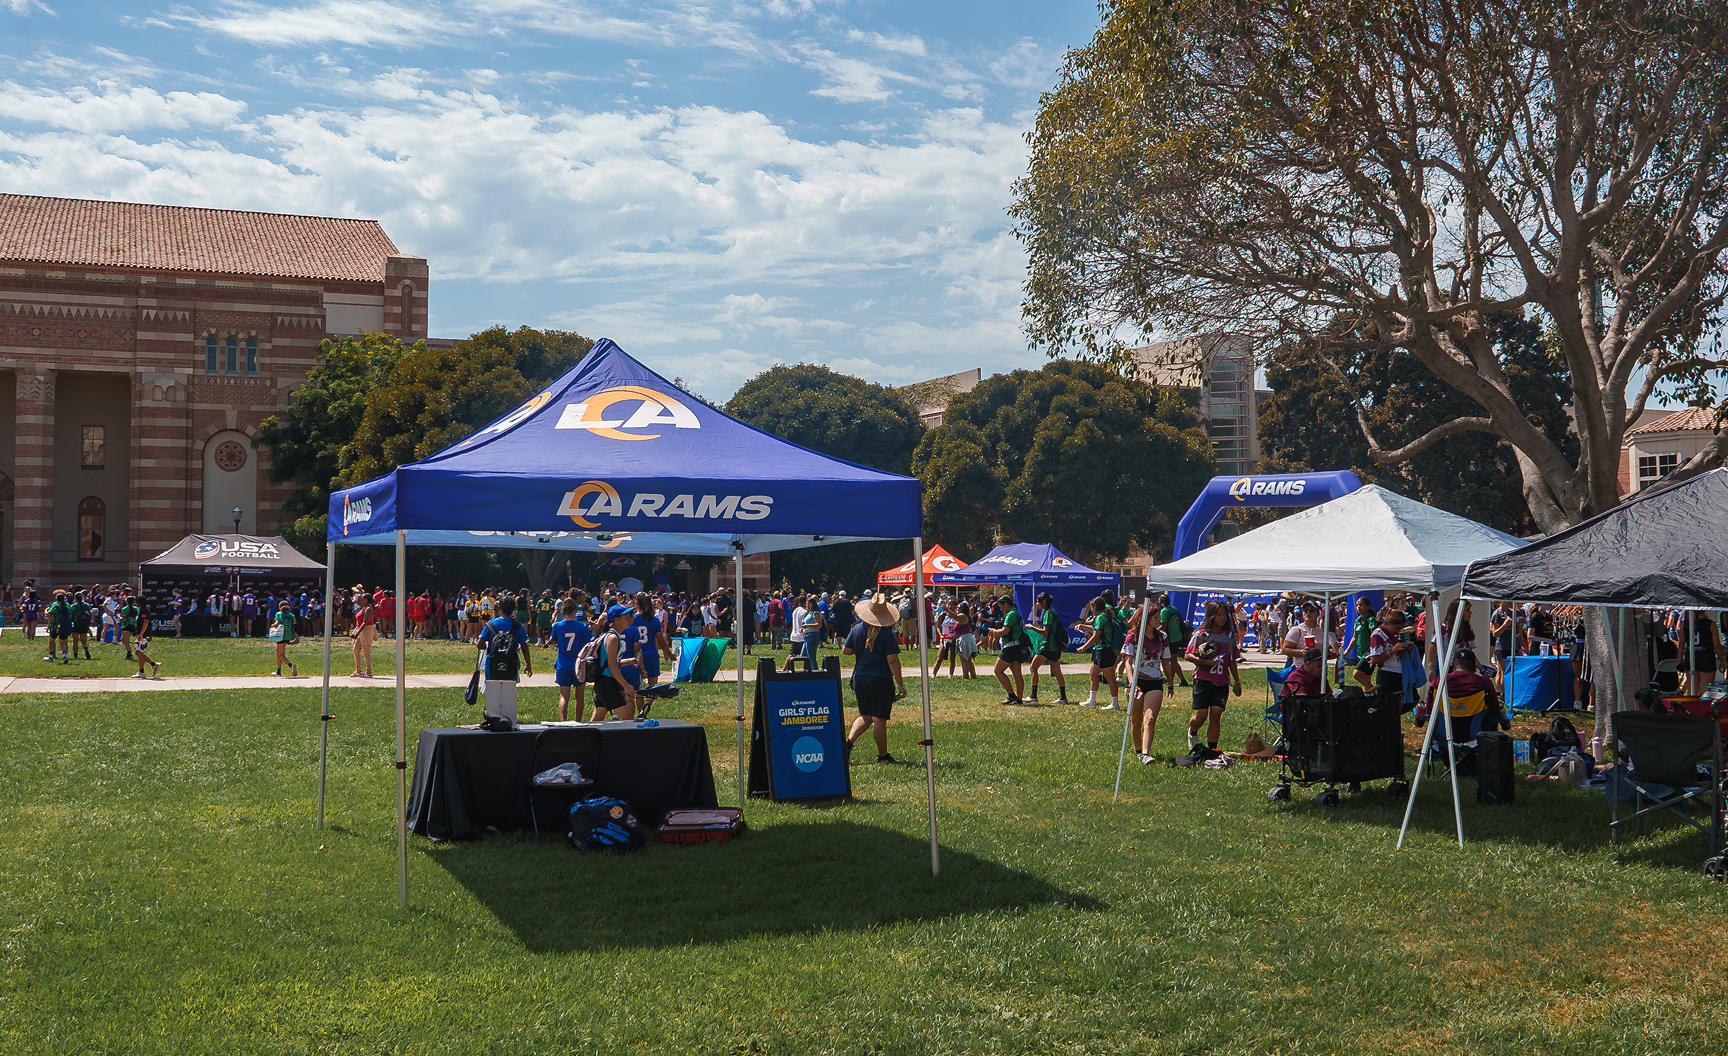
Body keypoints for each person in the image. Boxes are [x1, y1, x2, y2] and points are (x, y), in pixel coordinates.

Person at [843, 592, 907, 764]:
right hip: (880, 680)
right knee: (879, 718)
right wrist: (900, 685)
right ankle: (883, 756)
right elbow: (892, 660)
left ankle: (847, 744)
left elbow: (845, 651)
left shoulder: (856, 629)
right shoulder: (886, 635)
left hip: (860, 679)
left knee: (865, 716)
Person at [1185, 601, 1241, 751]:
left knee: (1216, 714)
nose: (1222, 618)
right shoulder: (1201, 634)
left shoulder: (1230, 636)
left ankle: (1212, 750)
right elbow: (1187, 655)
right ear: (1211, 616)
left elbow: (1232, 660)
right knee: (1200, 716)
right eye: (1218, 615)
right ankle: (1193, 731)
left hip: (1221, 682)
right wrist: (1204, 661)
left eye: (1224, 615)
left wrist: (1237, 681)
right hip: (1203, 680)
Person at [476, 596, 534, 724]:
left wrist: (489, 647)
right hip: (511, 665)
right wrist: (528, 665)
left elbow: (479, 644)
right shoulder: (518, 627)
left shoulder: (491, 624)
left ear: (500, 608)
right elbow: (525, 648)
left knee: (492, 697)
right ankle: (509, 721)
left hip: (492, 665)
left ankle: (490, 720)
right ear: (514, 609)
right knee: (508, 696)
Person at [1130, 609, 1171, 763]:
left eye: (1159, 616)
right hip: (1137, 682)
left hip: (1155, 681)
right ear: (1145, 619)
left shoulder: (1162, 637)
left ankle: (1146, 754)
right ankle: (1138, 751)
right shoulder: (1133, 636)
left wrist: (1170, 683)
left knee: (1150, 719)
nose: (1159, 619)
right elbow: (1127, 662)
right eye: (1155, 617)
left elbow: (1166, 661)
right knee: (1136, 720)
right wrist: (1131, 682)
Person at [592, 604, 644, 721]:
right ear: (616, 619)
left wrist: (628, 661)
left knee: (598, 718)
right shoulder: (613, 638)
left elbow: (612, 662)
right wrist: (626, 686)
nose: (630, 619)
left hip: (604, 682)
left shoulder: (613, 636)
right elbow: (611, 666)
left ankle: (584, 738)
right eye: (626, 617)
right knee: (628, 718)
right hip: (608, 683)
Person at [1079, 595, 1125, 709]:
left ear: (1095, 606)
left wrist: (1083, 647)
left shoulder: (1100, 618)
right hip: (1102, 650)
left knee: (1110, 678)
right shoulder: (1104, 617)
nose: (1091, 610)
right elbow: (1096, 630)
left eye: (1091, 607)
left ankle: (1115, 704)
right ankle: (1092, 700)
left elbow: (1096, 636)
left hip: (1104, 651)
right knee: (1093, 674)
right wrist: (1083, 627)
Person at [550, 598, 591, 721]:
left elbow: (554, 639)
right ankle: (577, 721)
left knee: (564, 696)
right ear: (575, 611)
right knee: (579, 697)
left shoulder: (557, 626)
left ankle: (563, 721)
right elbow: (589, 643)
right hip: (578, 664)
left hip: (563, 664)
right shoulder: (581, 626)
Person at [1027, 592, 1070, 704]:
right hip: (1054, 647)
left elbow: (1045, 632)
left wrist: (1032, 628)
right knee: (1057, 671)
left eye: (1038, 601)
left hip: (1048, 646)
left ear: (1044, 601)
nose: (1037, 604)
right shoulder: (1052, 612)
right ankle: (1063, 697)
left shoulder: (1048, 613)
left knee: (1033, 668)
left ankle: (1033, 695)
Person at [1367, 607, 1416, 700]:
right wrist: (1392, 651)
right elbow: (1374, 660)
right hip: (1387, 675)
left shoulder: (1394, 635)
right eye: (1397, 628)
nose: (1398, 631)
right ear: (1389, 623)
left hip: (1400, 674)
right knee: (1387, 707)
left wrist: (1406, 648)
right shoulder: (1377, 635)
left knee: (1400, 704)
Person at [994, 595, 1030, 705]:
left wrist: (994, 632)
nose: (1001, 610)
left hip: (1010, 646)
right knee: (1017, 673)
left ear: (1006, 604)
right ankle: (1019, 699)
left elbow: (1005, 631)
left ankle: (1011, 695)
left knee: (998, 670)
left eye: (1001, 607)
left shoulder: (1010, 614)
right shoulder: (1017, 613)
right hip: (1018, 646)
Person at [632, 592, 667, 686]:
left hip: (636, 655)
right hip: (651, 654)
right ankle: (648, 701)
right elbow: (661, 640)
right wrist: (669, 653)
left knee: (636, 687)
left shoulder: (631, 619)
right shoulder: (654, 620)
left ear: (636, 603)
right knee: (653, 686)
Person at [1157, 594, 1191, 688]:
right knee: (1172, 660)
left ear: (1162, 603)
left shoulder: (1164, 611)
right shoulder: (1174, 609)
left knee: (1173, 661)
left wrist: (1155, 631)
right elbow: (1180, 619)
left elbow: (1163, 626)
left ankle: (1183, 680)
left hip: (1171, 638)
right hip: (1178, 636)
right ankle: (1170, 680)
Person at [1348, 596, 1378, 689]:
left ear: (1367, 606)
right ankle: (1369, 698)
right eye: (1357, 605)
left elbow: (1374, 636)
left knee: (1356, 674)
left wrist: (1372, 652)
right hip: (1360, 652)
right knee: (1365, 677)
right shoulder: (1357, 620)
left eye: (1361, 605)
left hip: (1368, 653)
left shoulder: (1371, 619)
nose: (1358, 607)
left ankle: (1375, 692)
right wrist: (1347, 651)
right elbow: (1354, 638)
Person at [1488, 600, 1516, 694]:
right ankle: (1505, 696)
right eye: (1507, 601)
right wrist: (1505, 624)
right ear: (1500, 601)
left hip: (1511, 645)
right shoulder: (1497, 614)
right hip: (1502, 647)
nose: (1509, 602)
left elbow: (1516, 633)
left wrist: (1519, 626)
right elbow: (1495, 634)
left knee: (1501, 671)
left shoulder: (1512, 612)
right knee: (1505, 672)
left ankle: (1498, 693)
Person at [350, 588, 376, 678]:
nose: (360, 600)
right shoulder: (363, 607)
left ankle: (369, 672)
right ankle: (358, 670)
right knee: (356, 650)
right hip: (360, 629)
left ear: (366, 600)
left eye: (362, 598)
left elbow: (365, 622)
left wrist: (357, 633)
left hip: (366, 630)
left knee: (366, 651)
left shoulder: (368, 609)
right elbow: (355, 602)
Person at [271, 598, 299, 677]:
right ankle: (278, 671)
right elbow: (295, 624)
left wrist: (272, 626)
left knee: (280, 655)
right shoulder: (291, 615)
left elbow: (276, 623)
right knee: (279, 652)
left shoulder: (279, 614)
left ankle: (291, 666)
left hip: (280, 635)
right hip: (288, 635)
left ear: (280, 607)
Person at [45, 589, 74, 664]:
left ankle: (51, 656)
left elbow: (48, 614)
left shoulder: (55, 606)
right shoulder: (67, 605)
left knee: (52, 640)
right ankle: (64, 655)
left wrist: (46, 610)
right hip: (65, 626)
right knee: (63, 641)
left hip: (55, 626)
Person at [70, 591, 92, 661]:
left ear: (75, 598)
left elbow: (70, 616)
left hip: (76, 624)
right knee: (84, 640)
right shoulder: (86, 605)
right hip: (84, 624)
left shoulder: (73, 606)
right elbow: (89, 613)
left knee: (75, 641)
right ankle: (86, 649)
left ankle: (75, 655)